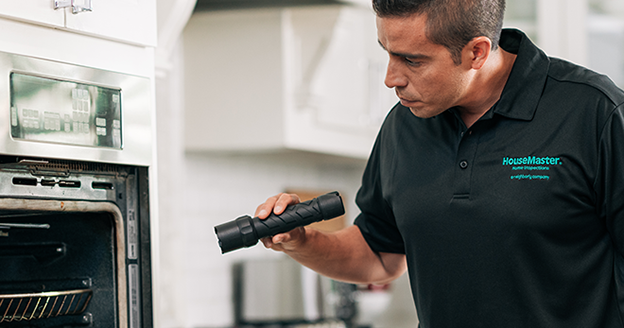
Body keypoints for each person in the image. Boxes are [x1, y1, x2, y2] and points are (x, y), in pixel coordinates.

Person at [254, 0, 624, 327]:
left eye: (412, 60)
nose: (390, 79)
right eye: (387, 52)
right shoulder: (403, 125)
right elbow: (380, 255)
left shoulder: (595, 114)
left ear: (476, 52)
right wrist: (301, 241)